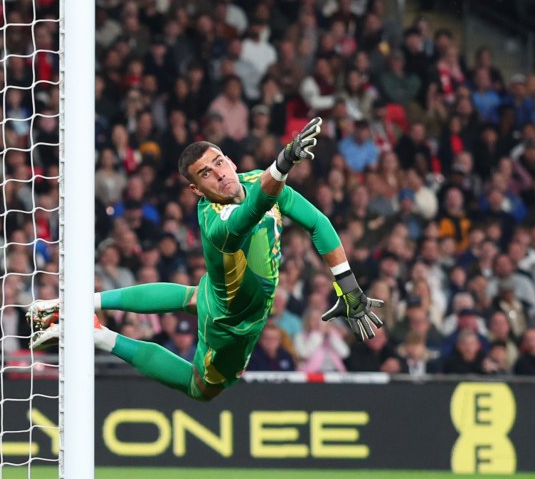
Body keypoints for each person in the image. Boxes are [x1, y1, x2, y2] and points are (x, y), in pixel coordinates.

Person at [29, 118, 383, 401]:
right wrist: (283, 162)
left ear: (229, 159)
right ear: (196, 190)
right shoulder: (218, 225)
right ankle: (97, 335)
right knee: (202, 388)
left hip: (220, 292)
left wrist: (348, 285)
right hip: (231, 324)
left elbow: (318, 223)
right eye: (206, 174)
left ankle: (79, 304)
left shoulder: (255, 180)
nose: (219, 174)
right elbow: (255, 207)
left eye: (219, 162)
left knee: (193, 296)